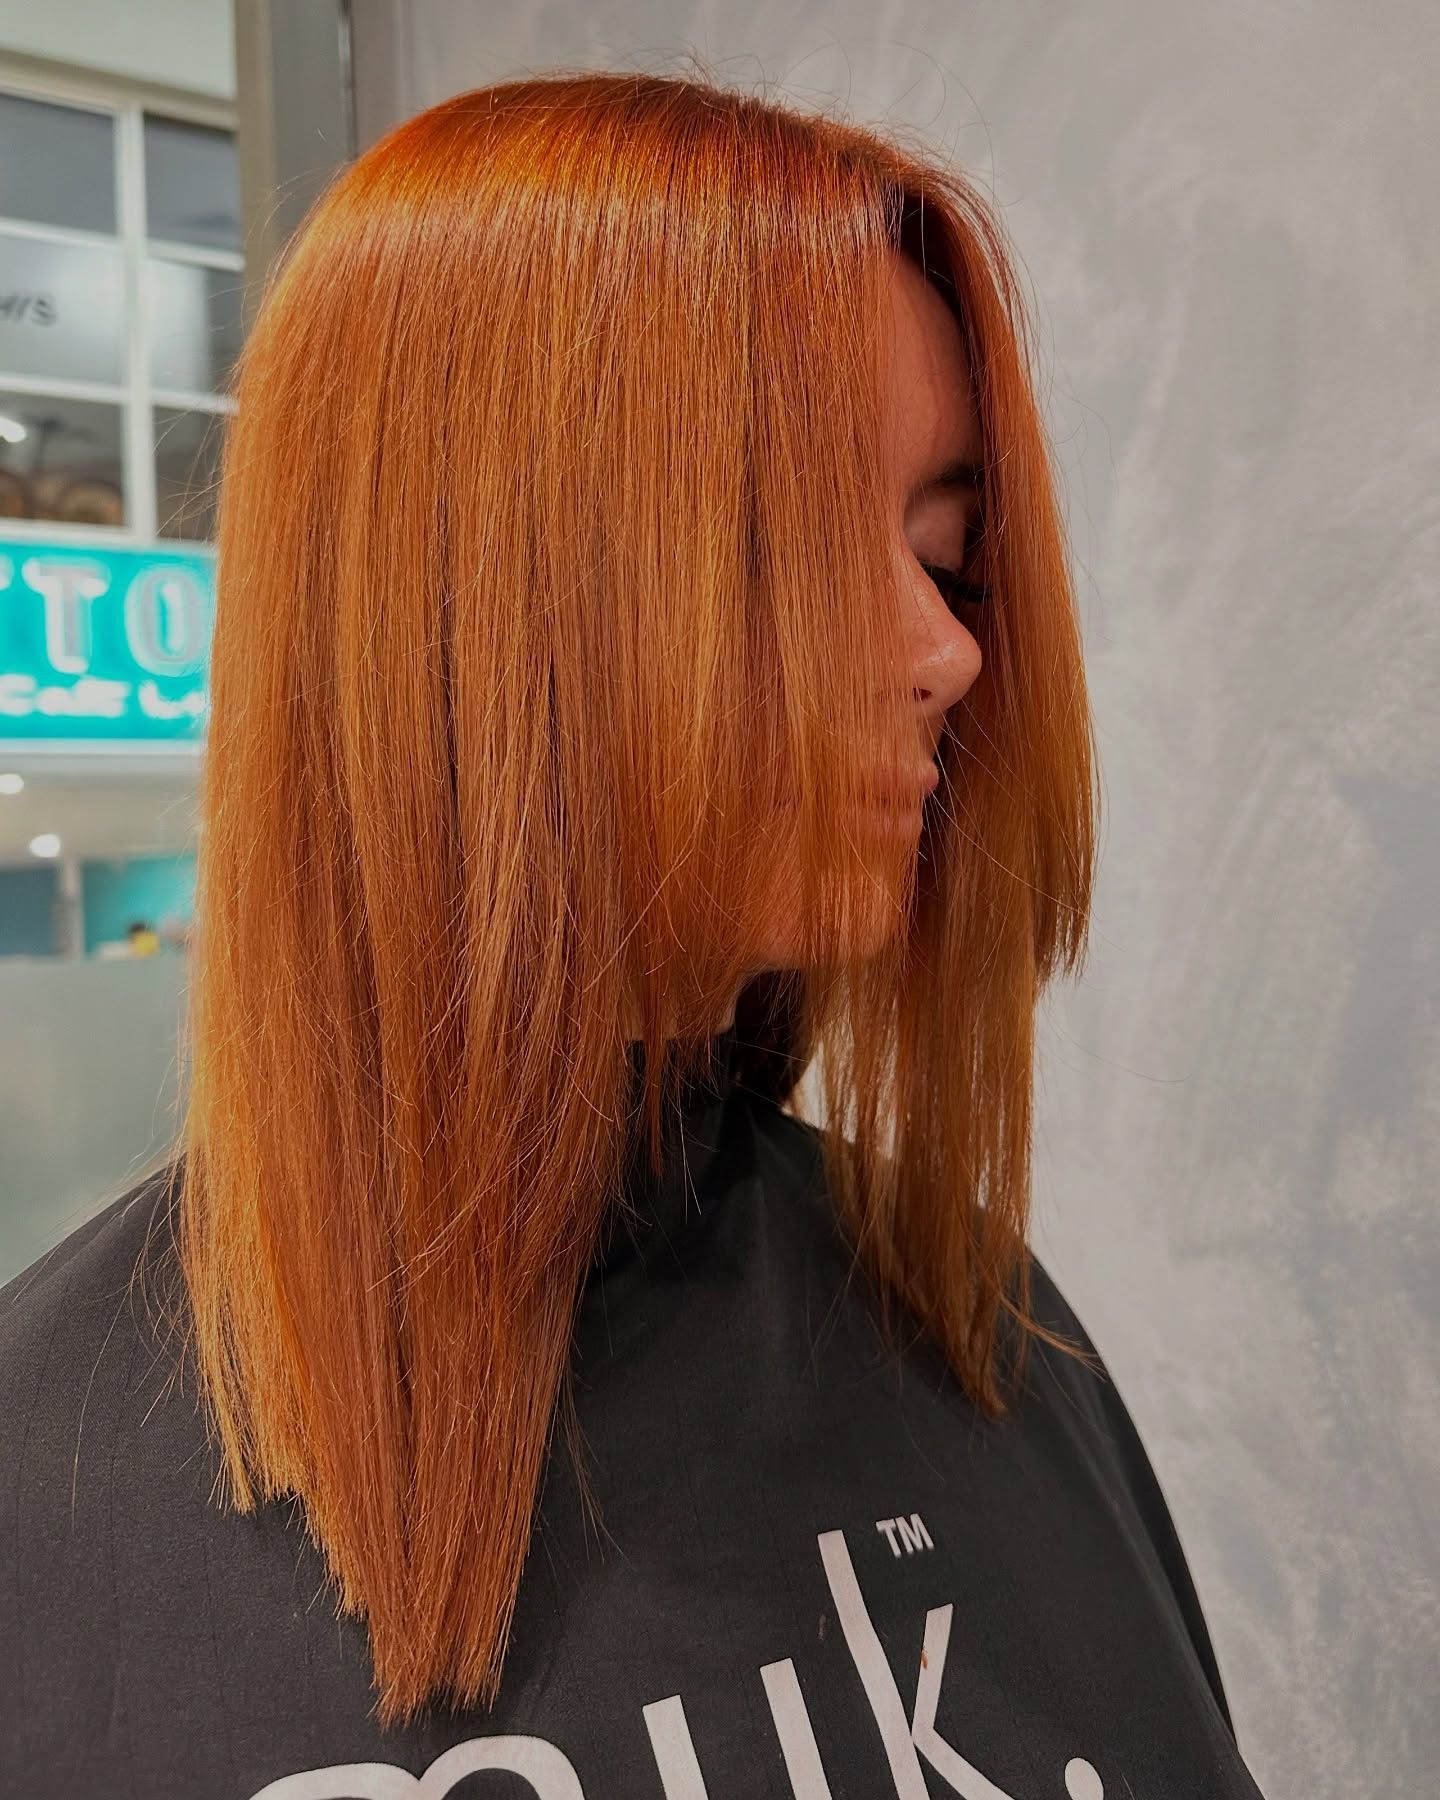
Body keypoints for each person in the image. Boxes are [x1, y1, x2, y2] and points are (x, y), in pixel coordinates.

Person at [0, 70, 1268, 1799]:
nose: (952, 652)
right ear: (479, 592)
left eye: (950, 558)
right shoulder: (51, 1499)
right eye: (810, 544)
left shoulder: (971, 1328)